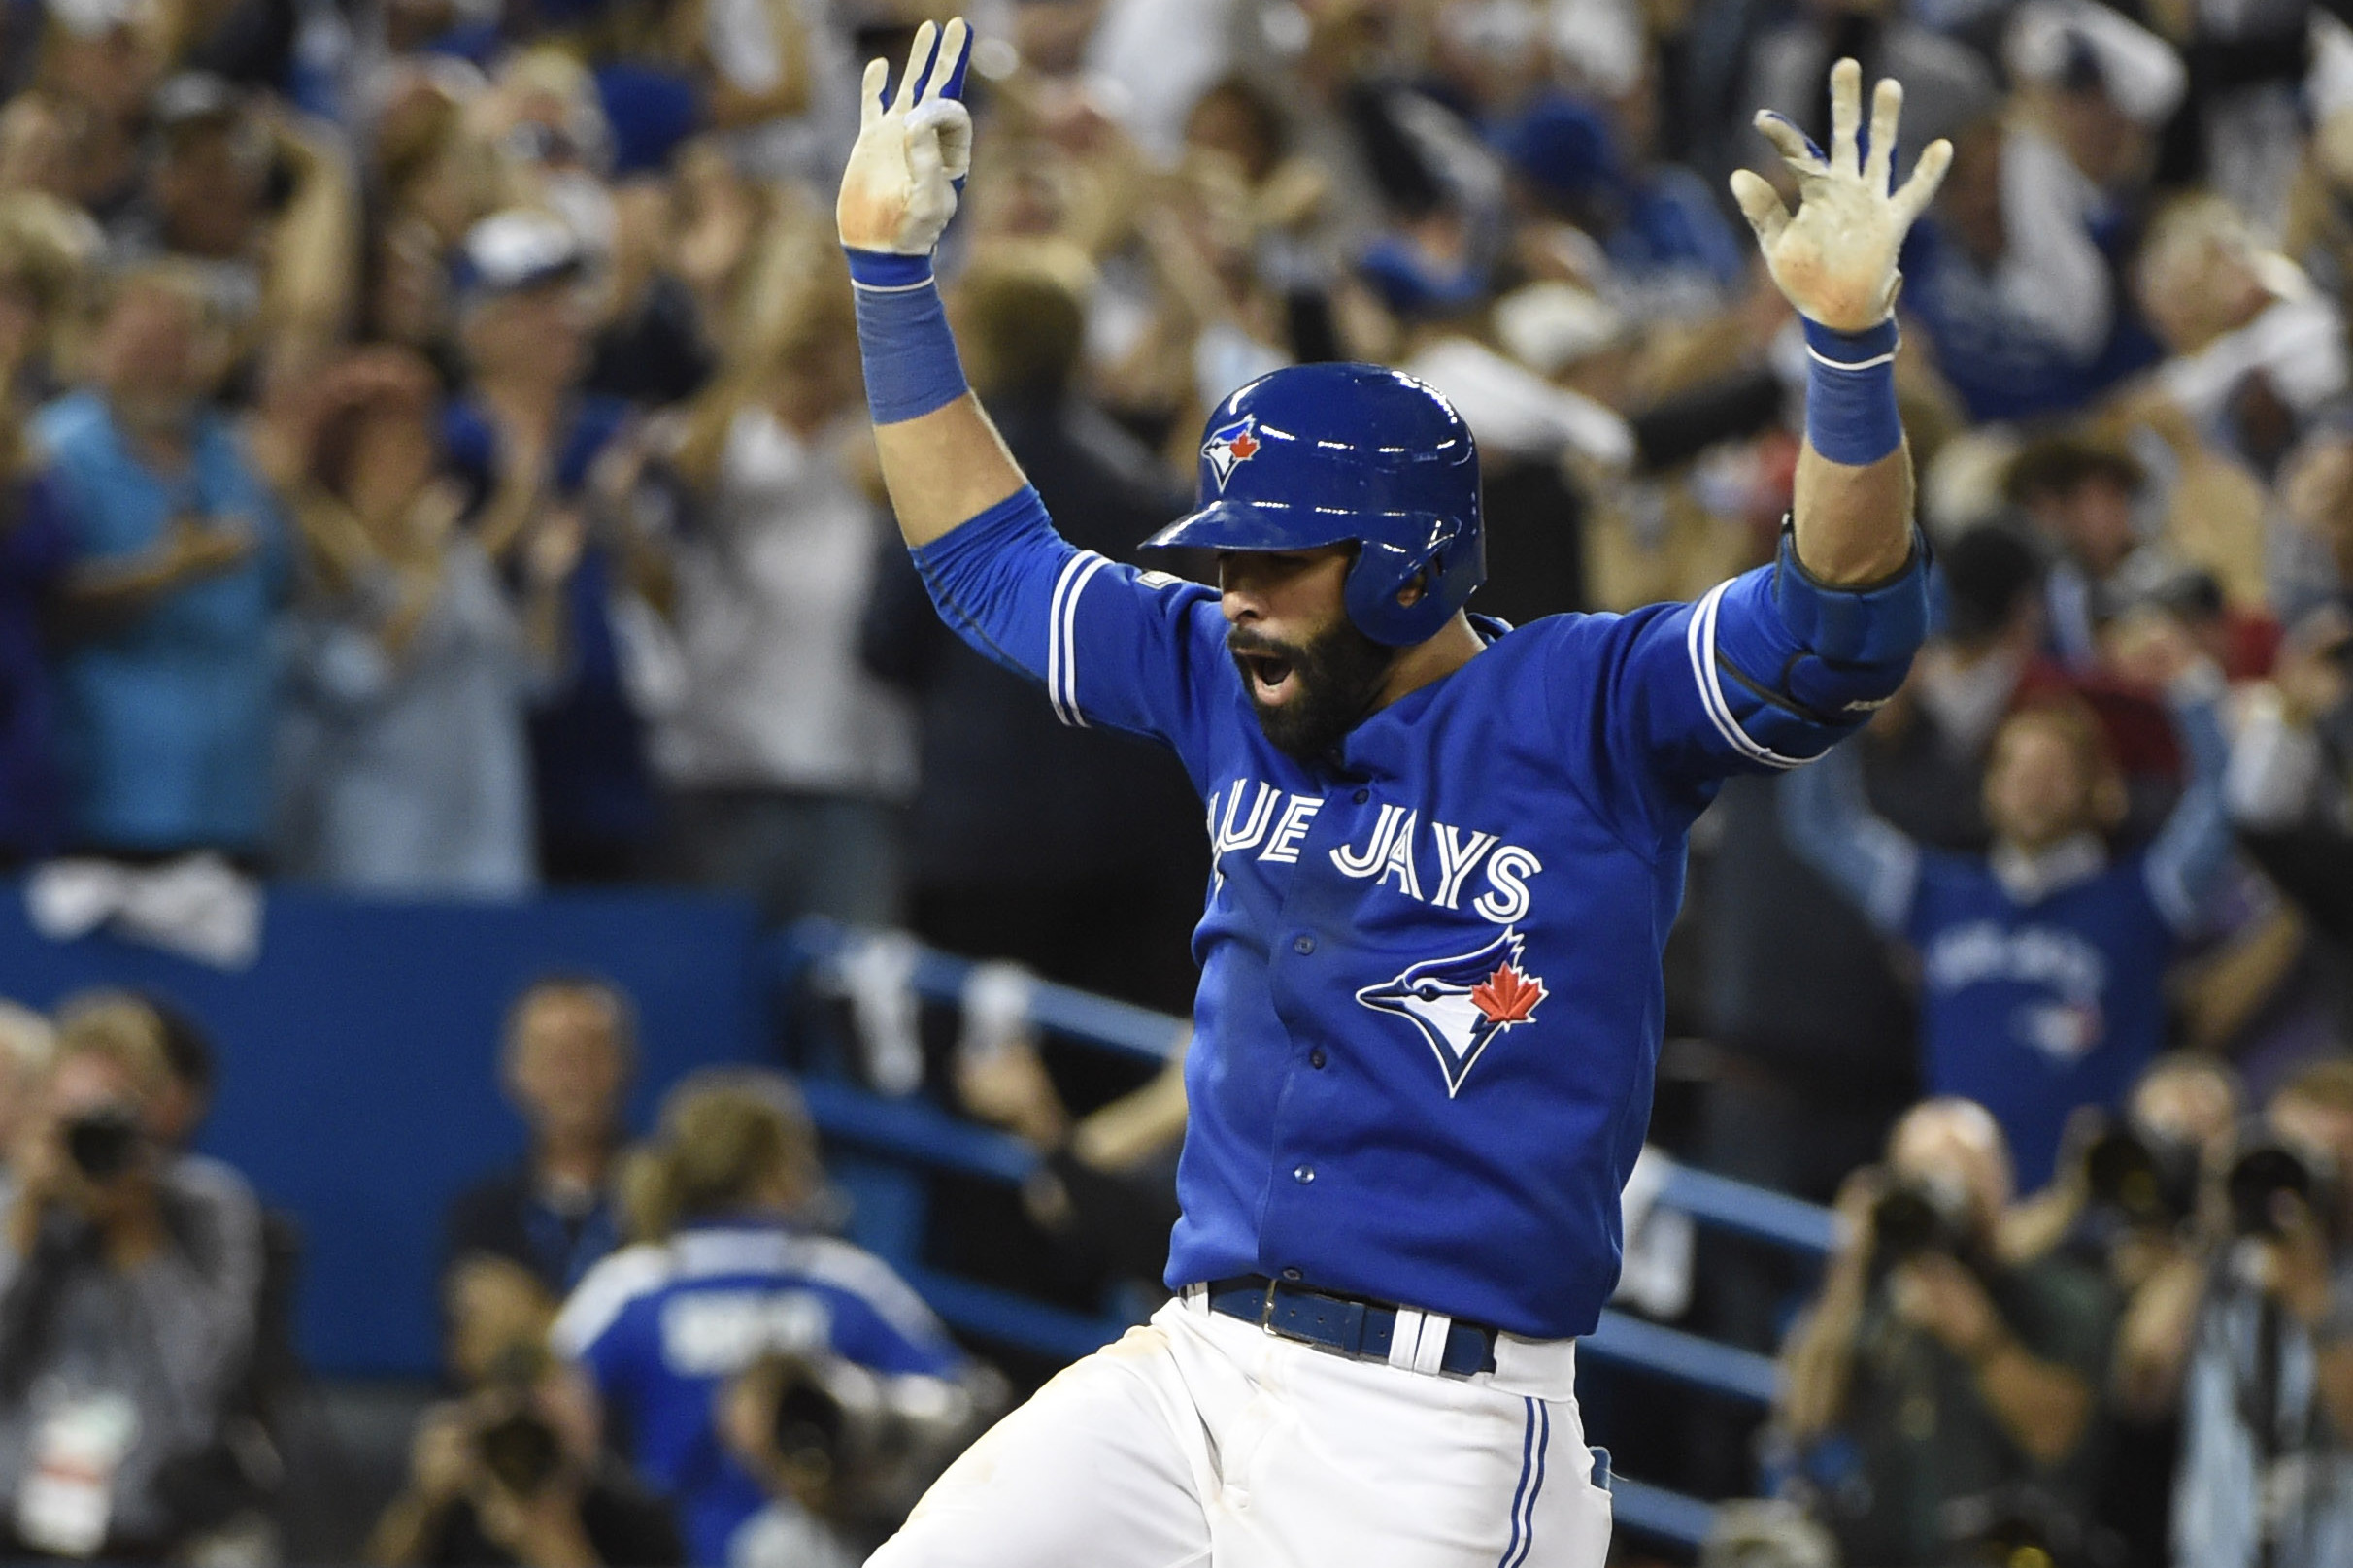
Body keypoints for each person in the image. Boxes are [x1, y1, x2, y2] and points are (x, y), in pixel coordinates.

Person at [839, 22, 1948, 1566]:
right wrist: (886, 283)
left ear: (1410, 561)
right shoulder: (1221, 675)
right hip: (1191, 1366)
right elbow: (984, 563)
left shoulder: (1587, 705)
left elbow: (1837, 624)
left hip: (1433, 1417)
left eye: (1276, 558)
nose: (1233, 594)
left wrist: (1843, 356)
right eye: (1223, 555)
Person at [1780, 637, 2234, 1190]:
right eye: (2015, 769)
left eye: (2054, 772)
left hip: (2087, 1216)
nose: (2031, 789)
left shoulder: (2146, 895)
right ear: (1990, 785)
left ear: (2099, 789)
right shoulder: (1933, 891)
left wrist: (2193, 686)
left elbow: (2222, 805)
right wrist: (1833, 691)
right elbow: (1819, 823)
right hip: (1953, 1201)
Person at [549, 1068, 966, 1567]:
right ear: (781, 1167)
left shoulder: (630, 1287)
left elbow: (543, 1418)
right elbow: (957, 1413)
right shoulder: (848, 1282)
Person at [1775, 1099, 2117, 1566]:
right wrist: (1847, 1269)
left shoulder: (2058, 1293)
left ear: (2000, 1184)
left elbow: (2058, 1438)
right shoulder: (1880, 1292)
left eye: (1964, 1174)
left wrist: (1982, 1340)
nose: (1944, 1196)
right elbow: (1805, 1419)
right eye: (1924, 1176)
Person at [38, 261, 289, 861]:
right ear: (95, 344)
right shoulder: (53, 456)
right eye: (145, 341)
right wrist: (166, 571)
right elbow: (40, 611)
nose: (164, 361)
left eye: (181, 342)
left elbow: (282, 590)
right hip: (101, 799)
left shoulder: (244, 456)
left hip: (234, 801)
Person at [0, 992, 263, 1558]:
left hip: (153, 1527)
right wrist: (24, 1217)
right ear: (42, 1109)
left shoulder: (203, 1208)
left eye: (109, 1117)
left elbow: (199, 1382)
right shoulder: (13, 1203)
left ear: (157, 1117)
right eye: (71, 1117)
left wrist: (137, 1228)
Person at [2166, 1060, 2353, 1567]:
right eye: (2295, 1155)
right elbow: (2142, 1379)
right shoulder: (2223, 1265)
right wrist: (2209, 1221)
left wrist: (2316, 1304)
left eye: (2339, 1158)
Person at [366, 1344, 686, 1568]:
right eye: (517, 1430)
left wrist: (544, 1533)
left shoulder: (635, 1511)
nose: (529, 1448)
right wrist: (424, 1502)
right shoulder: (458, 1505)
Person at [445, 977, 634, 1305]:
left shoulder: (670, 1202)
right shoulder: (484, 1218)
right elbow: (478, 1347)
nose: (574, 1078)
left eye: (589, 1053)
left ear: (624, 1064)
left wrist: (531, 1320)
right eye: (556, 1058)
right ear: (517, 1073)